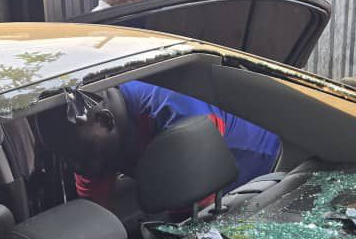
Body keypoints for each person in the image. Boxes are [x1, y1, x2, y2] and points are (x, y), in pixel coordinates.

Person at [37, 81, 281, 210]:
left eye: (75, 155)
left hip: (267, 178)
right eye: (64, 157)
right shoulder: (90, 148)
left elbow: (197, 216)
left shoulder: (174, 111)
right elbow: (94, 218)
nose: (73, 166)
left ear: (105, 121)